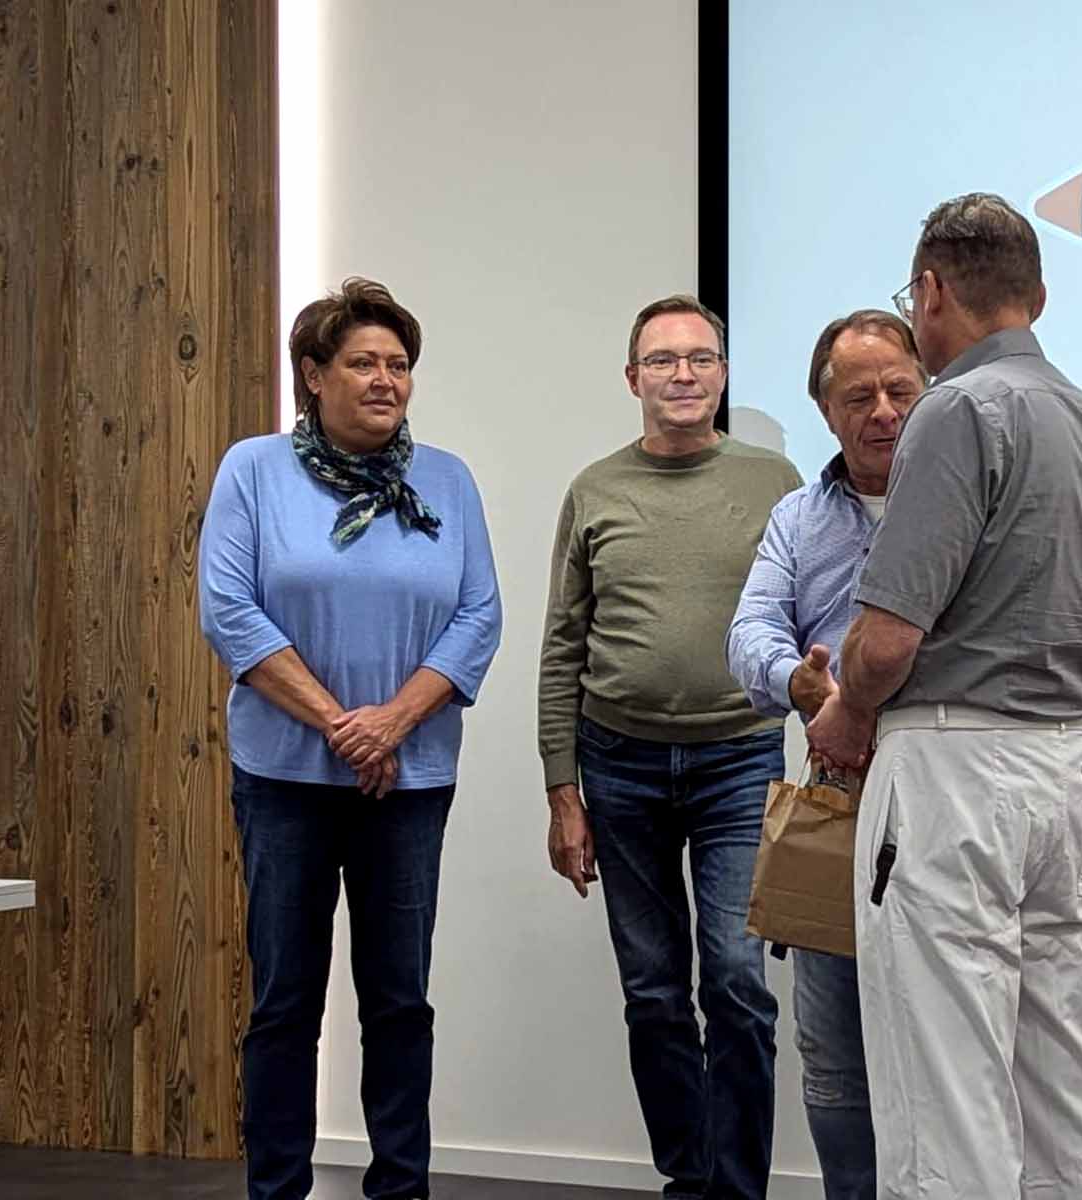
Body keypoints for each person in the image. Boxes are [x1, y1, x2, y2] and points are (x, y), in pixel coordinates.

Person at [808, 195, 1082, 1200]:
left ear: (929, 292)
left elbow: (888, 640)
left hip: (951, 772)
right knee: (1064, 1076)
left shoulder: (956, 410)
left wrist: (847, 712)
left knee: (944, 1088)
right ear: (1035, 296)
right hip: (1062, 766)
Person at [199, 278, 503, 1200]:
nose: (385, 380)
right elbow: (229, 610)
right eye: (363, 362)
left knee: (399, 1002)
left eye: (399, 365)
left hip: (410, 782)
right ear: (313, 374)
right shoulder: (254, 470)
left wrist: (393, 724)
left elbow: (478, 616)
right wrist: (345, 727)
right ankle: (277, 1188)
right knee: (285, 1003)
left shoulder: (446, 480)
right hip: (285, 780)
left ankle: (399, 1188)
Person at [538, 294, 802, 1199]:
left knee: (736, 982)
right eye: (662, 360)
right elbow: (562, 646)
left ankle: (737, 1189)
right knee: (652, 990)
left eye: (699, 358)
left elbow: (810, 616)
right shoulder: (594, 490)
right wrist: (561, 790)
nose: (682, 375)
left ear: (722, 374)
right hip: (618, 765)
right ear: (632, 379)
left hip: (739, 761)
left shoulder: (774, 481)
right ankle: (689, 1179)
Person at [725, 309, 926, 1200]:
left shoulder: (969, 496)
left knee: (945, 1042)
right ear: (824, 410)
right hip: (837, 798)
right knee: (835, 1054)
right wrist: (798, 683)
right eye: (858, 396)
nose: (882, 411)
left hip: (944, 791)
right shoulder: (798, 518)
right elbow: (748, 633)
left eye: (899, 390)